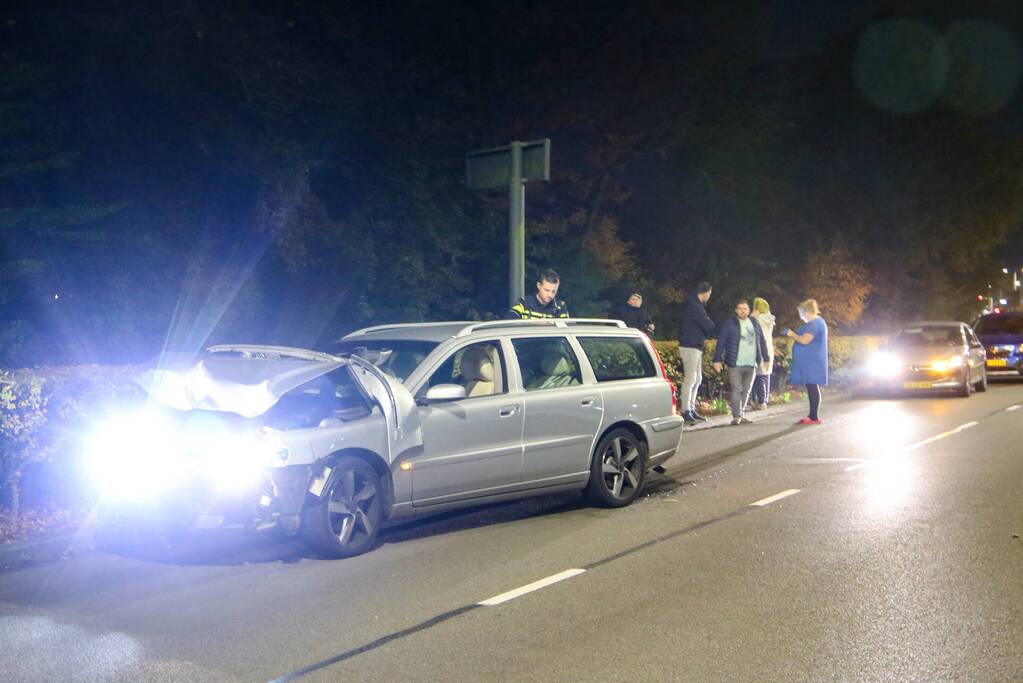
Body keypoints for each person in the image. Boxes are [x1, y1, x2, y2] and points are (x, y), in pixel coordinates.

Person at [713, 298, 770, 425]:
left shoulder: (754, 323)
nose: (743, 311)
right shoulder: (730, 323)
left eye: (745, 308)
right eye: (740, 309)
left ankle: (741, 414)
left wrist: (766, 358)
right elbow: (721, 341)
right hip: (735, 363)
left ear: (749, 310)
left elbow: (761, 341)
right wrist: (717, 359)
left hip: (751, 363)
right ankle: (736, 416)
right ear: (736, 310)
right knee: (736, 389)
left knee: (747, 390)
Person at [677, 282, 715, 425]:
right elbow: (708, 325)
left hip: (695, 346)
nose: (709, 297)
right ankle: (685, 410)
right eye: (709, 294)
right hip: (690, 345)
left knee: (697, 378)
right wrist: (709, 322)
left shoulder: (695, 305)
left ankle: (691, 408)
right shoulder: (695, 306)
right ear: (705, 292)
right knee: (690, 379)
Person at [786, 298, 828, 425]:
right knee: (811, 387)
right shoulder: (816, 323)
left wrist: (791, 334)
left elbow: (805, 340)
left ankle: (814, 417)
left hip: (813, 361)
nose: (800, 316)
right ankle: (812, 415)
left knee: (812, 386)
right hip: (812, 360)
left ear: (807, 311)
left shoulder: (815, 323)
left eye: (801, 313)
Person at [748, 297, 776, 410]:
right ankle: (763, 400)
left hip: (760, 350)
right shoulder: (769, 319)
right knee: (765, 376)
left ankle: (760, 401)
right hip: (768, 350)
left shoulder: (758, 320)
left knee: (759, 376)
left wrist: (751, 317)